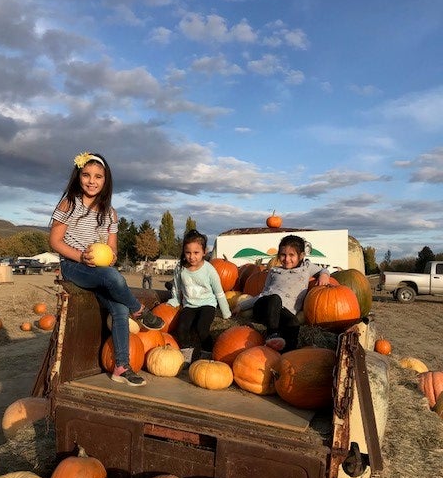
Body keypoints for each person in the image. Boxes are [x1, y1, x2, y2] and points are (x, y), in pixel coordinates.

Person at [49, 151, 164, 387]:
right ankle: (139, 310)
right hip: (73, 266)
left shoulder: (110, 214)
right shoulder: (69, 204)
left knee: (119, 308)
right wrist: (81, 256)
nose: (92, 181)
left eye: (98, 176)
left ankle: (121, 367)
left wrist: (110, 257)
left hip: (99, 270)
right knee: (114, 278)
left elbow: (112, 250)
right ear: (78, 176)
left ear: (106, 180)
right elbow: (55, 242)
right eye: (86, 175)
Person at [234, 234, 330, 352]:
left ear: (301, 256)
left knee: (293, 322)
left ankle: (287, 352)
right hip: (265, 307)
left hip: (284, 312)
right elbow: (264, 293)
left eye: (291, 255)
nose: (286, 259)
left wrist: (324, 276)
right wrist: (241, 306)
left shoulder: (306, 268)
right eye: (283, 255)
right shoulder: (274, 271)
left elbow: (323, 270)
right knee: (275, 298)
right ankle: (272, 334)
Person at [167, 229, 231, 364]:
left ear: (204, 252)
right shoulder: (180, 268)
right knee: (182, 328)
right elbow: (177, 287)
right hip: (190, 305)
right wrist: (175, 300)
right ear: (184, 252)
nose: (192, 256)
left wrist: (226, 313)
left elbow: (219, 292)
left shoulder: (209, 269)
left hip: (207, 304)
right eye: (188, 252)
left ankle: (207, 352)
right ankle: (186, 355)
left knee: (202, 328)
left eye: (196, 253)